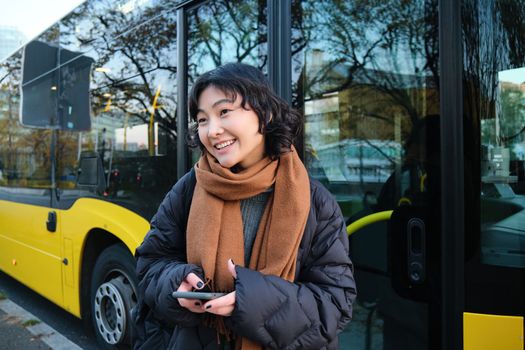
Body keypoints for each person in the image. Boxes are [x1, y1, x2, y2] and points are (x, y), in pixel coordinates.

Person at [132, 63, 356, 350]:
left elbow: (335, 304)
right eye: (202, 120)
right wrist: (176, 283)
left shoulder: (315, 201)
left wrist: (251, 301)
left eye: (224, 112)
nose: (212, 131)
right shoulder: (189, 189)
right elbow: (150, 264)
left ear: (266, 113)